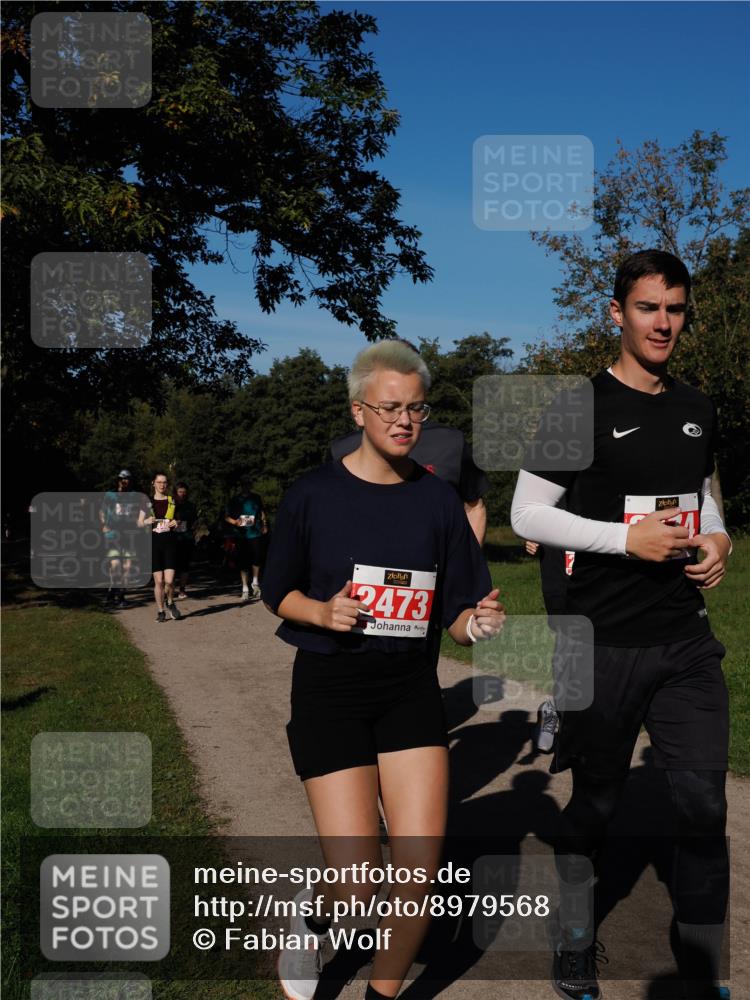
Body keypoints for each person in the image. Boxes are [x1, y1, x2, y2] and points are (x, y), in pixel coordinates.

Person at [511, 250, 731, 1000]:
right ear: (617, 314)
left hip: (685, 639)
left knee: (704, 805)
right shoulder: (580, 407)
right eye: (648, 308)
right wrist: (622, 540)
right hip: (602, 644)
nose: (663, 322)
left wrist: (720, 539)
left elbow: (703, 494)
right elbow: (526, 512)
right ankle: (573, 935)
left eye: (675, 308)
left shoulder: (698, 406)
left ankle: (700, 968)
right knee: (598, 805)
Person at [262, 341, 505, 1000]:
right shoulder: (312, 494)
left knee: (418, 870)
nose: (405, 421)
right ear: (359, 411)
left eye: (417, 409)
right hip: (331, 689)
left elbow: (455, 612)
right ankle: (316, 924)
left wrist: (475, 623)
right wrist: (321, 610)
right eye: (391, 408)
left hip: (409, 692)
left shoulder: (437, 502)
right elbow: (275, 589)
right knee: (358, 877)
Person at [329, 342, 489, 546]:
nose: (403, 420)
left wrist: (467, 567)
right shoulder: (341, 451)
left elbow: (474, 508)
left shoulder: (451, 443)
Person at [524, 539, 569, 752]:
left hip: (603, 583)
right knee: (568, 651)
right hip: (561, 582)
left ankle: (556, 708)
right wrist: (531, 535)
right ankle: (554, 709)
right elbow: (531, 511)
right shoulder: (556, 505)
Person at [138, 472, 183, 623]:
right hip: (154, 544)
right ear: (153, 483)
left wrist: (177, 523)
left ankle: (170, 602)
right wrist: (146, 521)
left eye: (164, 482)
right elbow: (138, 523)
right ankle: (160, 611)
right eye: (159, 482)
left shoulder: (173, 501)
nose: (162, 485)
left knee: (169, 581)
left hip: (170, 544)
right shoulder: (147, 502)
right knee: (159, 581)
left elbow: (181, 522)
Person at [99, 469, 141, 608]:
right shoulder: (110, 495)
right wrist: (104, 524)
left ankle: (121, 596)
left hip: (128, 535)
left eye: (128, 479)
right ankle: (112, 589)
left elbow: (139, 511)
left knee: (127, 567)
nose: (125, 481)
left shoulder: (134, 495)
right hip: (113, 534)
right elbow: (102, 511)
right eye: (123, 479)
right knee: (116, 566)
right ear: (118, 480)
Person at [224, 476, 267, 601]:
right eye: (243, 484)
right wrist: (234, 522)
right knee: (243, 562)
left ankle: (255, 582)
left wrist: (264, 524)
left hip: (255, 532)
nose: (246, 486)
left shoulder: (256, 498)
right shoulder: (234, 500)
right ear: (241, 486)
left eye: (248, 484)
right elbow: (226, 516)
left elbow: (262, 511)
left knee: (257, 558)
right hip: (241, 534)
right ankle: (245, 588)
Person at [173, 481, 198, 599]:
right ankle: (170, 589)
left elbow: (195, 521)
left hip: (186, 538)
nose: (182, 494)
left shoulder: (191, 506)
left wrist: (193, 528)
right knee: (171, 565)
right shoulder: (170, 505)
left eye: (184, 492)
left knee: (185, 565)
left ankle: (182, 589)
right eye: (180, 492)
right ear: (175, 492)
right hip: (173, 538)